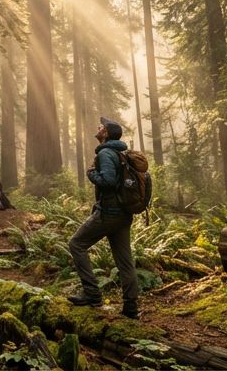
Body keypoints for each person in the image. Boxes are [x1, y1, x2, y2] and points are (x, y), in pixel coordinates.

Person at [67, 116, 140, 318]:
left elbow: (107, 181)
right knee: (125, 262)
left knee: (76, 244)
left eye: (101, 126)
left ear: (106, 133)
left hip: (109, 214)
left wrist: (91, 174)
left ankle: (92, 294)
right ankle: (131, 308)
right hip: (123, 215)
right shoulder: (120, 152)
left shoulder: (107, 153)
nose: (98, 128)